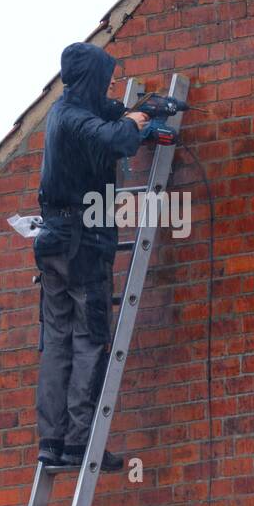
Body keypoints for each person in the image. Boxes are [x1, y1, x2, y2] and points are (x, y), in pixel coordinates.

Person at [33, 42, 150, 471]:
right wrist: (136, 122)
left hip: (55, 242)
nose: (110, 85)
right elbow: (117, 140)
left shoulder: (64, 113)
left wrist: (122, 109)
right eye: (106, 78)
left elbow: (98, 115)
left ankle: (52, 440)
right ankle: (80, 443)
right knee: (87, 338)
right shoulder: (79, 120)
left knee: (57, 340)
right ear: (91, 79)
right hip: (82, 245)